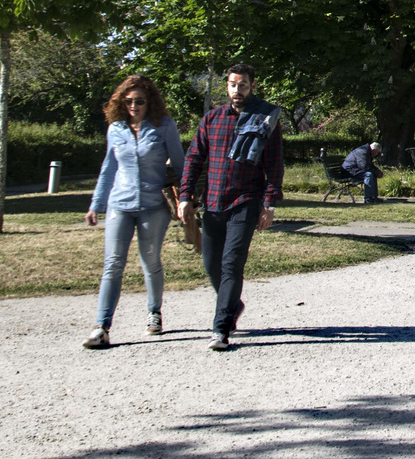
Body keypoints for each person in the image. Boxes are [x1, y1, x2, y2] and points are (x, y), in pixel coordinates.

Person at [177, 62, 284, 352]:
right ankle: (233, 305)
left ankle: (220, 328)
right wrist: (185, 196)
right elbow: (194, 159)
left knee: (232, 263)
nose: (238, 90)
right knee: (211, 262)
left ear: (252, 86)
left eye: (244, 85)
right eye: (233, 85)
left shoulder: (265, 119)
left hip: (246, 200)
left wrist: (269, 203)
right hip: (213, 201)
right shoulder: (212, 119)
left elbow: (274, 164)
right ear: (227, 86)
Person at [82, 75, 185, 349]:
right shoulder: (116, 129)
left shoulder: (164, 126)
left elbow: (180, 165)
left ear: (149, 101)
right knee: (113, 264)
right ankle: (101, 327)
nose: (134, 106)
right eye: (128, 101)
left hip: (153, 206)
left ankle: (154, 311)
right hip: (120, 204)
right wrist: (96, 204)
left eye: (139, 101)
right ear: (121, 102)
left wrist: (186, 199)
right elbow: (108, 169)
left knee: (149, 261)